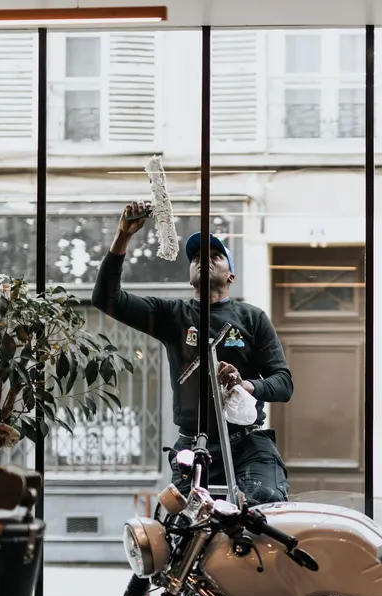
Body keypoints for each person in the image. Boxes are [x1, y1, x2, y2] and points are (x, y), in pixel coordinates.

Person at [93, 202, 293, 503]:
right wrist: (123, 237)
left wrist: (246, 385)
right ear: (189, 276)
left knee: (260, 504)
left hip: (248, 444)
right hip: (193, 445)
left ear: (231, 276)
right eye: (197, 257)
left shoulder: (252, 318)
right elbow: (106, 299)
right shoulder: (172, 315)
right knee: (184, 529)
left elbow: (284, 383)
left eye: (214, 256)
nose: (203, 260)